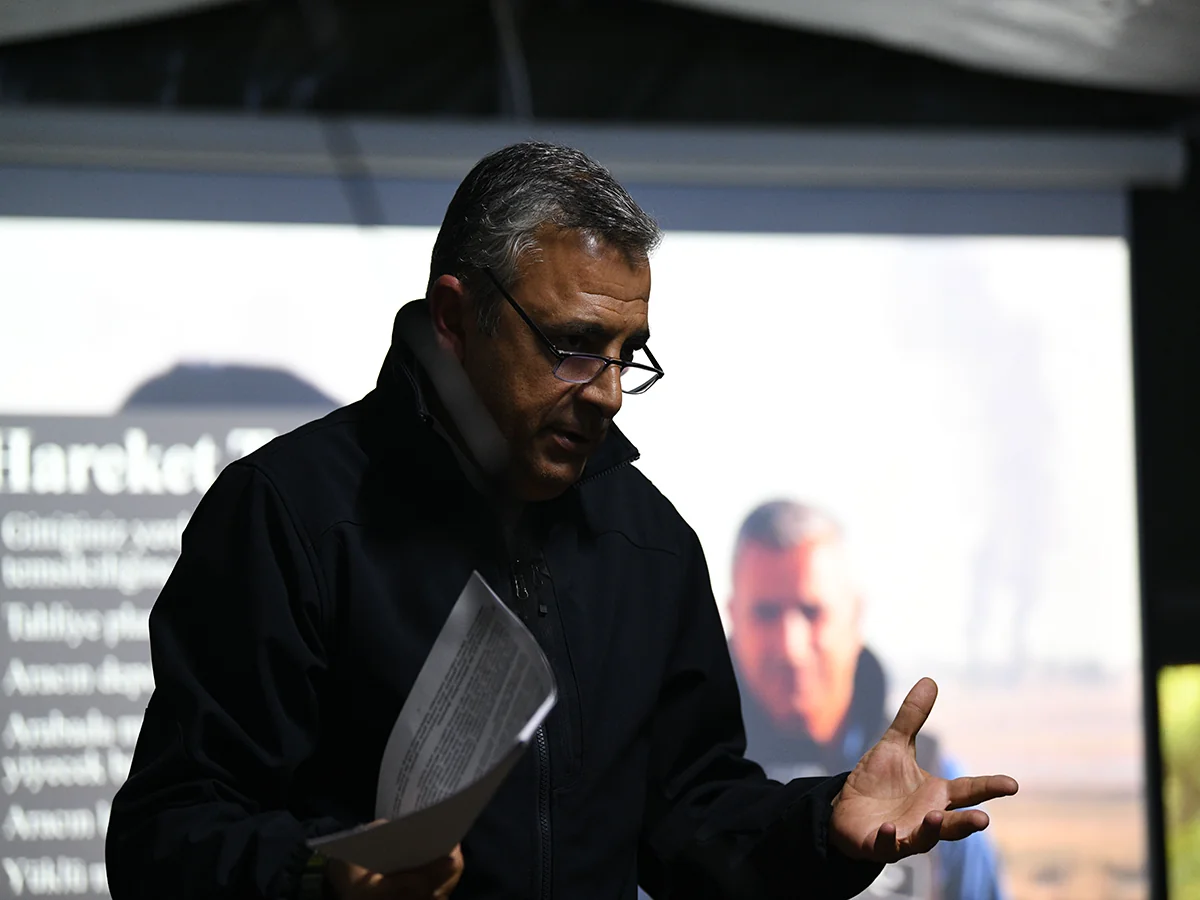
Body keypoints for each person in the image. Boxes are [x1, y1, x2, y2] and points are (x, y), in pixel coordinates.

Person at [105, 142, 1017, 900]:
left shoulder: (649, 545)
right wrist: (322, 876)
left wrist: (823, 828)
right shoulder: (288, 516)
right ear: (456, 317)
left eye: (628, 354)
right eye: (574, 347)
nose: (609, 393)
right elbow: (168, 836)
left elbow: (692, 822)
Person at [728, 500, 1008, 899]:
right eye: (766, 613)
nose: (790, 647)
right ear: (732, 617)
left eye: (811, 612)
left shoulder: (929, 785)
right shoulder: (679, 788)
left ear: (855, 615)